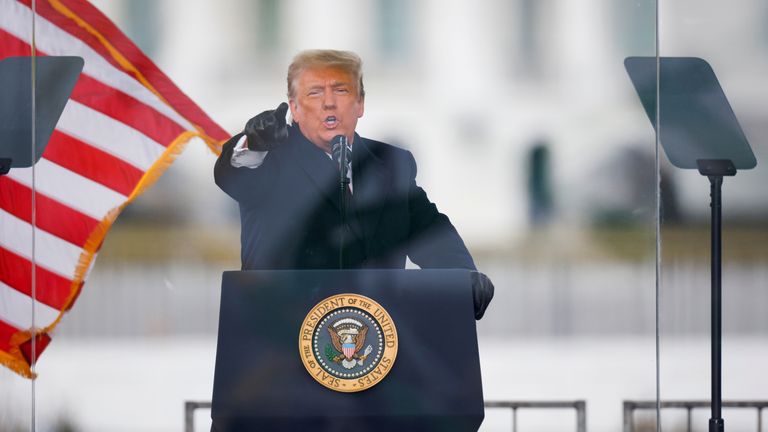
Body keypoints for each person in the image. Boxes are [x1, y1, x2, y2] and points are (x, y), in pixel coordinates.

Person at [214, 49, 493, 319]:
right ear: (294, 109)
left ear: (360, 104)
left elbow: (429, 232)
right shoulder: (271, 159)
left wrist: (462, 276)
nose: (329, 103)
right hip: (280, 343)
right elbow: (236, 174)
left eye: (341, 90)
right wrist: (253, 143)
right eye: (314, 92)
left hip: (375, 345)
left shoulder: (392, 163)